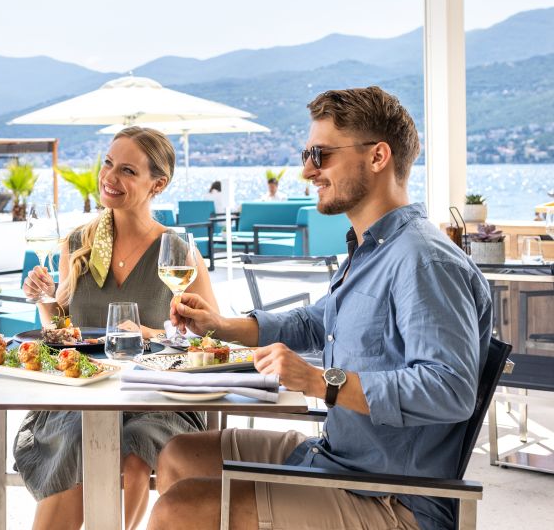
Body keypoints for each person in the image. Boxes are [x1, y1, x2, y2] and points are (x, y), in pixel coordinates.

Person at [148, 86, 492, 530]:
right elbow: (315, 322)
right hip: (339, 459)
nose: (307, 169)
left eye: (321, 154)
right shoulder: (373, 250)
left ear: (377, 156)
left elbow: (449, 389)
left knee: (181, 510)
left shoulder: (423, 258)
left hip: (393, 496)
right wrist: (221, 326)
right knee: (180, 455)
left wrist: (320, 381)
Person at [16, 126, 218, 530]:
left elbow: (211, 338)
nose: (110, 177)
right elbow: (64, 332)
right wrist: (45, 300)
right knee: (78, 437)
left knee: (134, 449)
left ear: (157, 184)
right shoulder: (79, 242)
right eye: (108, 163)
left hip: (157, 394)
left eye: (127, 170)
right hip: (85, 390)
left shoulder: (177, 250)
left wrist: (149, 335)